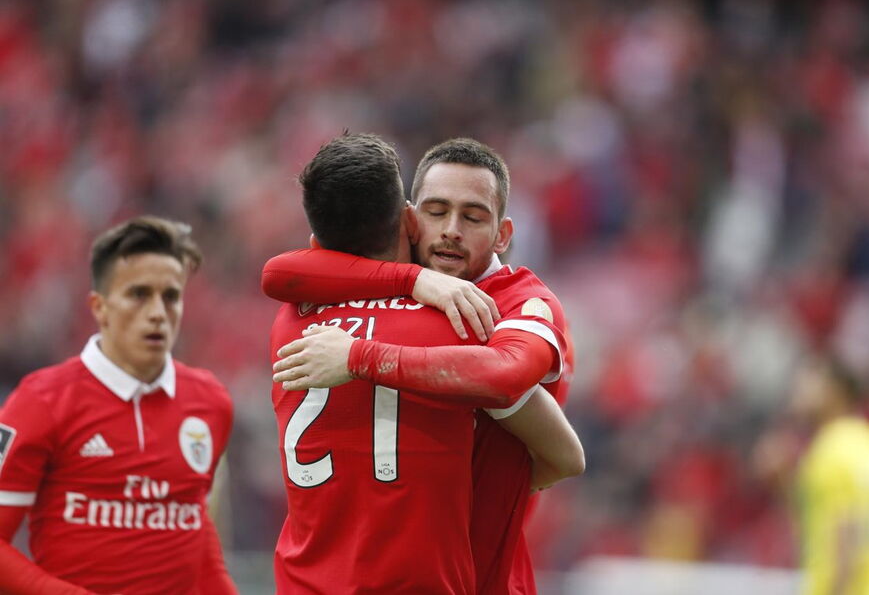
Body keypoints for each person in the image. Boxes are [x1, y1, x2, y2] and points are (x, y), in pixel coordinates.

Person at [264, 137, 580, 593]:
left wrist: (358, 355)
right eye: (436, 211)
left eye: (472, 217)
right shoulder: (427, 307)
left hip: (479, 574)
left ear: (503, 235)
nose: (451, 230)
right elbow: (276, 272)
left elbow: (525, 401)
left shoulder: (520, 305)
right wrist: (413, 279)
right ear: (411, 219)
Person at [0, 216, 236, 595]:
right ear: (99, 307)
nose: (158, 312)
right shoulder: (40, 402)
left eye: (171, 296)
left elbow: (195, 531)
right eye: (139, 294)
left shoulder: (210, 402)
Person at [790, 358, 869, 595]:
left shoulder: (829, 450)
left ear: (834, 391)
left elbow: (846, 536)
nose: (799, 391)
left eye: (810, 382)